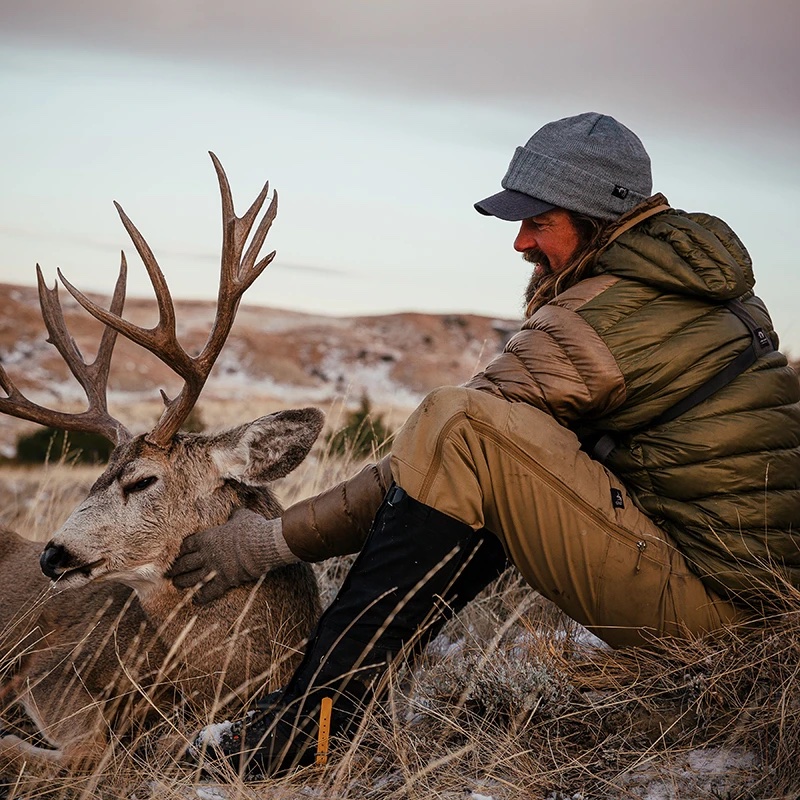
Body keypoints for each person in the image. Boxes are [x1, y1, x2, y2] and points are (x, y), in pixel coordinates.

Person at [168, 112, 800, 776]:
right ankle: (328, 712)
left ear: (602, 219)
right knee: (488, 447)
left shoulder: (594, 321)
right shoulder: (713, 294)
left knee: (462, 424)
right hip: (761, 611)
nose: (520, 242)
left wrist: (265, 543)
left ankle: (312, 722)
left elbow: (438, 458)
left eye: (541, 222)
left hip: (714, 622)